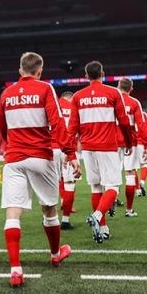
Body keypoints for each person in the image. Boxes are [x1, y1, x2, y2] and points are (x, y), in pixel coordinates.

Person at [0, 52, 77, 287]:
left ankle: (15, 269)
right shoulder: (45, 88)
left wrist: (11, 145)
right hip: (40, 156)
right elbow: (57, 123)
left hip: (14, 158)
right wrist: (71, 154)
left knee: (13, 212)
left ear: (20, 70)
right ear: (39, 71)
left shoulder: (6, 93)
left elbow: (1, 127)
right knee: (49, 208)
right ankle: (54, 255)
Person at [65, 61, 134, 244]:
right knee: (112, 187)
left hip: (87, 148)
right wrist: (128, 142)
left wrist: (71, 153)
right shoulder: (113, 92)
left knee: (95, 187)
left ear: (86, 76)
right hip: (108, 147)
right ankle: (96, 216)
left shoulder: (78, 97)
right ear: (102, 73)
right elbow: (124, 122)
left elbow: (72, 128)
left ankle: (103, 229)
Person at [117, 78, 147, 217]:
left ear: (118, 86)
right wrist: (145, 146)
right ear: (131, 89)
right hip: (131, 142)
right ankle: (129, 210)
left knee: (113, 174)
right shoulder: (135, 103)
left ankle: (111, 202)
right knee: (130, 174)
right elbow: (141, 126)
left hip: (113, 142)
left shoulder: (112, 100)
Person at [57, 91, 78, 229]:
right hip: (67, 148)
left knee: (51, 183)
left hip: (50, 148)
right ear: (70, 98)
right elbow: (75, 131)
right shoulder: (73, 107)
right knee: (69, 183)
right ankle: (65, 220)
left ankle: (47, 218)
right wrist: (72, 154)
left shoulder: (53, 104)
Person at [138, 113, 147, 196]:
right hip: (141, 143)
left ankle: (137, 190)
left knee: (131, 170)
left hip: (129, 144)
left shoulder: (123, 111)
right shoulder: (143, 115)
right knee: (145, 164)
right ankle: (142, 182)